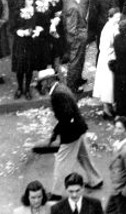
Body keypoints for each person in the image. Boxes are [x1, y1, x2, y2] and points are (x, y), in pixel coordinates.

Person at [37, 66, 103, 201]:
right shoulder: (61, 88)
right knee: (84, 156)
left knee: (62, 162)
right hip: (78, 127)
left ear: (49, 81)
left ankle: (56, 193)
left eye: (42, 82)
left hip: (71, 132)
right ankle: (96, 180)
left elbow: (66, 116)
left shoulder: (57, 95)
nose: (41, 85)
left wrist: (56, 133)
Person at [106, 116, 126, 214]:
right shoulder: (118, 145)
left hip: (122, 192)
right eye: (115, 127)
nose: (116, 131)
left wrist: (125, 192)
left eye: (120, 128)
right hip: (116, 189)